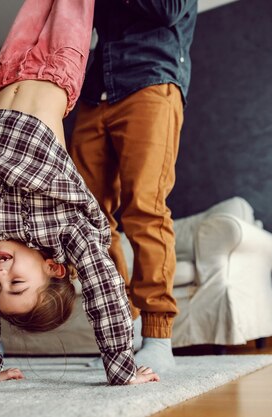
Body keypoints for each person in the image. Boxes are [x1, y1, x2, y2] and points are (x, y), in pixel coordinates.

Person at [0, 0, 158, 386]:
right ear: (53, 268)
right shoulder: (66, 231)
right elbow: (104, 290)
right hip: (56, 68)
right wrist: (121, 369)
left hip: (5, 77)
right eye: (15, 282)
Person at [69, 0, 198, 373]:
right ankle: (120, 333)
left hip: (151, 80)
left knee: (145, 207)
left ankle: (157, 339)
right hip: (95, 93)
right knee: (90, 220)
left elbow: (168, 9)